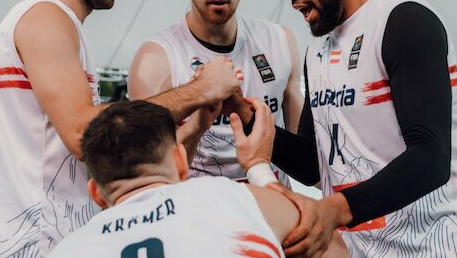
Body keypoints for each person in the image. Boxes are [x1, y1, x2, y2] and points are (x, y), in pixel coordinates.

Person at [0, 0, 239, 257]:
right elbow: (81, 133)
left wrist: (197, 120)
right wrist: (199, 91)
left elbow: (100, 151)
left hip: (49, 239)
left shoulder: (65, 28)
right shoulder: (45, 17)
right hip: (26, 243)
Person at [238, 0, 457, 257]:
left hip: (449, 244)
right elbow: (313, 166)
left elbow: (430, 157)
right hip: (372, 248)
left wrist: (333, 209)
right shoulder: (316, 51)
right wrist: (241, 112)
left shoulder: (403, 20)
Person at [48, 98, 347, 257]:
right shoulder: (231, 198)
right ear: (181, 161)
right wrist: (257, 166)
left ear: (96, 194)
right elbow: (323, 235)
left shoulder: (67, 250)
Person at [128, 0, 303, 184]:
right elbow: (149, 178)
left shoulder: (280, 41)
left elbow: (306, 165)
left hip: (272, 214)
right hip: (201, 217)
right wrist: (198, 124)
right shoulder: (156, 59)